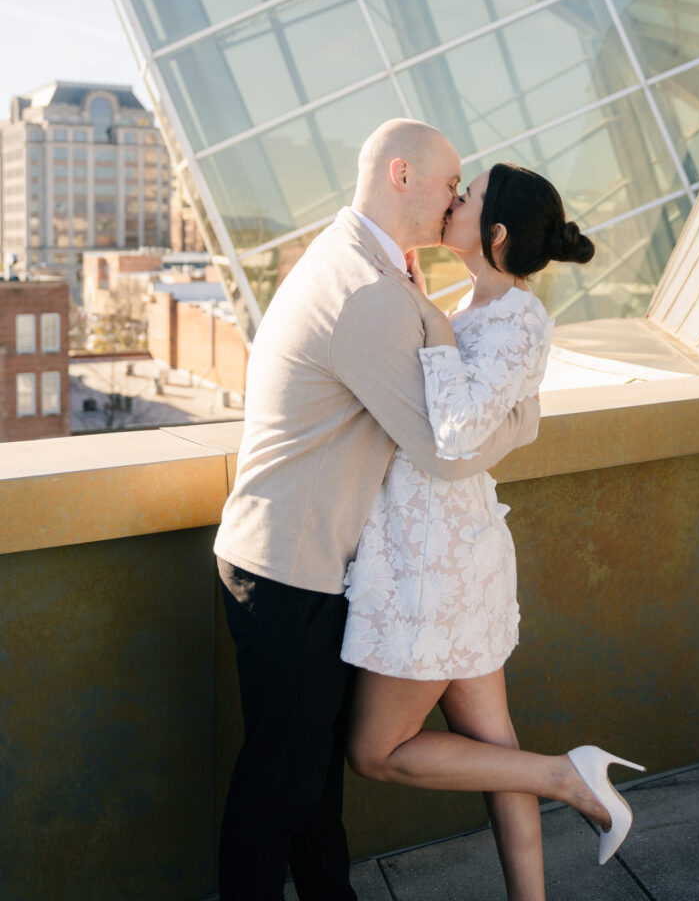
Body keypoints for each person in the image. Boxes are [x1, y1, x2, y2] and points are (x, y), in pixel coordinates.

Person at [213, 120, 543, 901]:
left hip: (313, 562)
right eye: (448, 182)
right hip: (287, 567)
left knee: (309, 784)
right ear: (402, 175)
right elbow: (442, 450)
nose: (455, 199)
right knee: (279, 790)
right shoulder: (362, 289)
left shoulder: (368, 265)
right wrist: (524, 421)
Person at [342, 163, 645, 901]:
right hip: (448, 551)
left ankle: (564, 776)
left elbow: (451, 431)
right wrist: (432, 314)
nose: (453, 199)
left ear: (496, 233)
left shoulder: (513, 319)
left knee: (375, 752)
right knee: (491, 748)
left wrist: (432, 327)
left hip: (434, 567)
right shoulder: (481, 310)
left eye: (467, 195)